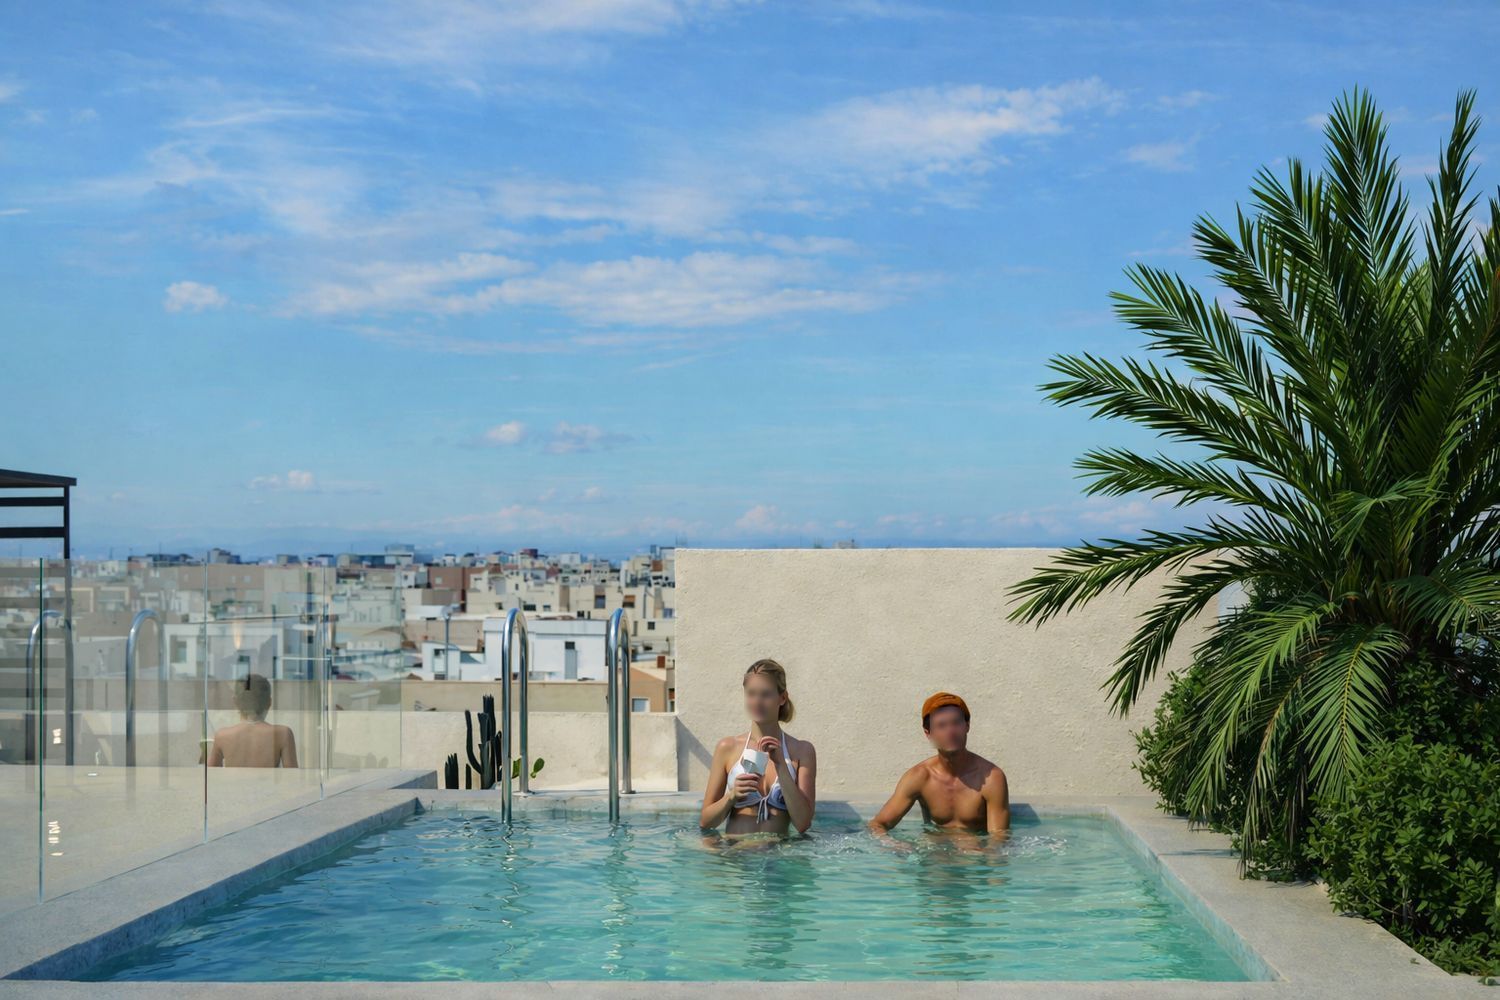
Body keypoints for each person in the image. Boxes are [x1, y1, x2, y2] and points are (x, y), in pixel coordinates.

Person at [699, 658, 816, 836]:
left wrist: (781, 766)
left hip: (779, 851)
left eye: (765, 694)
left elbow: (803, 824)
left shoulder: (802, 751)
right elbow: (706, 822)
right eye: (751, 694)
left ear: (782, 698)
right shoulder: (728, 747)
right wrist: (731, 797)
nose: (757, 702)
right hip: (736, 850)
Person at [868, 692, 1008, 838]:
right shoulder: (920, 777)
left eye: (956, 723)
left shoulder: (991, 777)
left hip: (975, 850)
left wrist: (983, 851)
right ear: (928, 733)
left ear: (967, 726)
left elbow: (999, 838)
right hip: (933, 849)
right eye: (941, 726)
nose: (950, 732)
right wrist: (895, 845)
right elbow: (877, 825)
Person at [208, 673, 299, 768]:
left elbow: (210, 774)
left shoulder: (222, 736)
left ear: (235, 701)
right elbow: (292, 774)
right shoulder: (283, 734)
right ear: (269, 702)